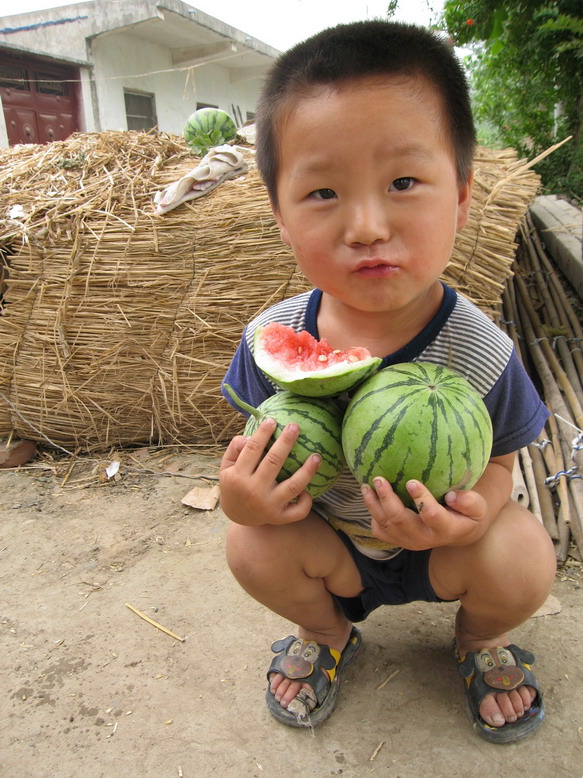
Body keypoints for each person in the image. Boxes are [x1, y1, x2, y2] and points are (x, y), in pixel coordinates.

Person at [219, 20, 556, 743]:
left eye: (403, 182)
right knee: (246, 545)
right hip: (329, 546)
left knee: (524, 553)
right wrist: (242, 497)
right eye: (321, 193)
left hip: (443, 550)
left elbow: (499, 465)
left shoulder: (482, 349)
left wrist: (475, 513)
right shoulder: (270, 336)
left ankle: (476, 640)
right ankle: (326, 630)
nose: (367, 225)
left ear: (461, 196)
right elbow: (248, 442)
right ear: (278, 213)